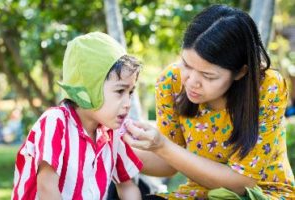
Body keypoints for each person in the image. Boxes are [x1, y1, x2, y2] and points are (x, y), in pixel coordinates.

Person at [124, 5, 295, 200]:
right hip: (199, 194)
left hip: (261, 194)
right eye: (186, 65)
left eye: (208, 76)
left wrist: (162, 146)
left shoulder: (266, 87)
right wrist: (115, 149)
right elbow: (168, 164)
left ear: (241, 72)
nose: (191, 81)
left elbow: (243, 184)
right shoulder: (171, 82)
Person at [12, 32, 143, 200]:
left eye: (130, 92)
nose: (128, 103)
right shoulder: (55, 121)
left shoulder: (112, 133)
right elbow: (47, 187)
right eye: (120, 91)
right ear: (88, 88)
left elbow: (127, 187)